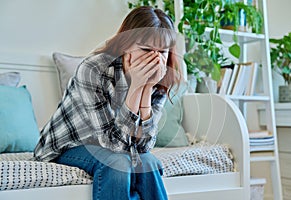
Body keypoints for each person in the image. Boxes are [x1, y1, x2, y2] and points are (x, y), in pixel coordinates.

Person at [34, 6, 182, 200]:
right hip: (68, 146)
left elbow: (143, 148)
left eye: (162, 51)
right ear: (127, 45)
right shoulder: (94, 69)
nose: (154, 59)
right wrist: (135, 87)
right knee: (118, 164)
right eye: (146, 50)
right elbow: (115, 146)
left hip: (109, 146)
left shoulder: (161, 77)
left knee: (149, 163)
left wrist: (146, 89)